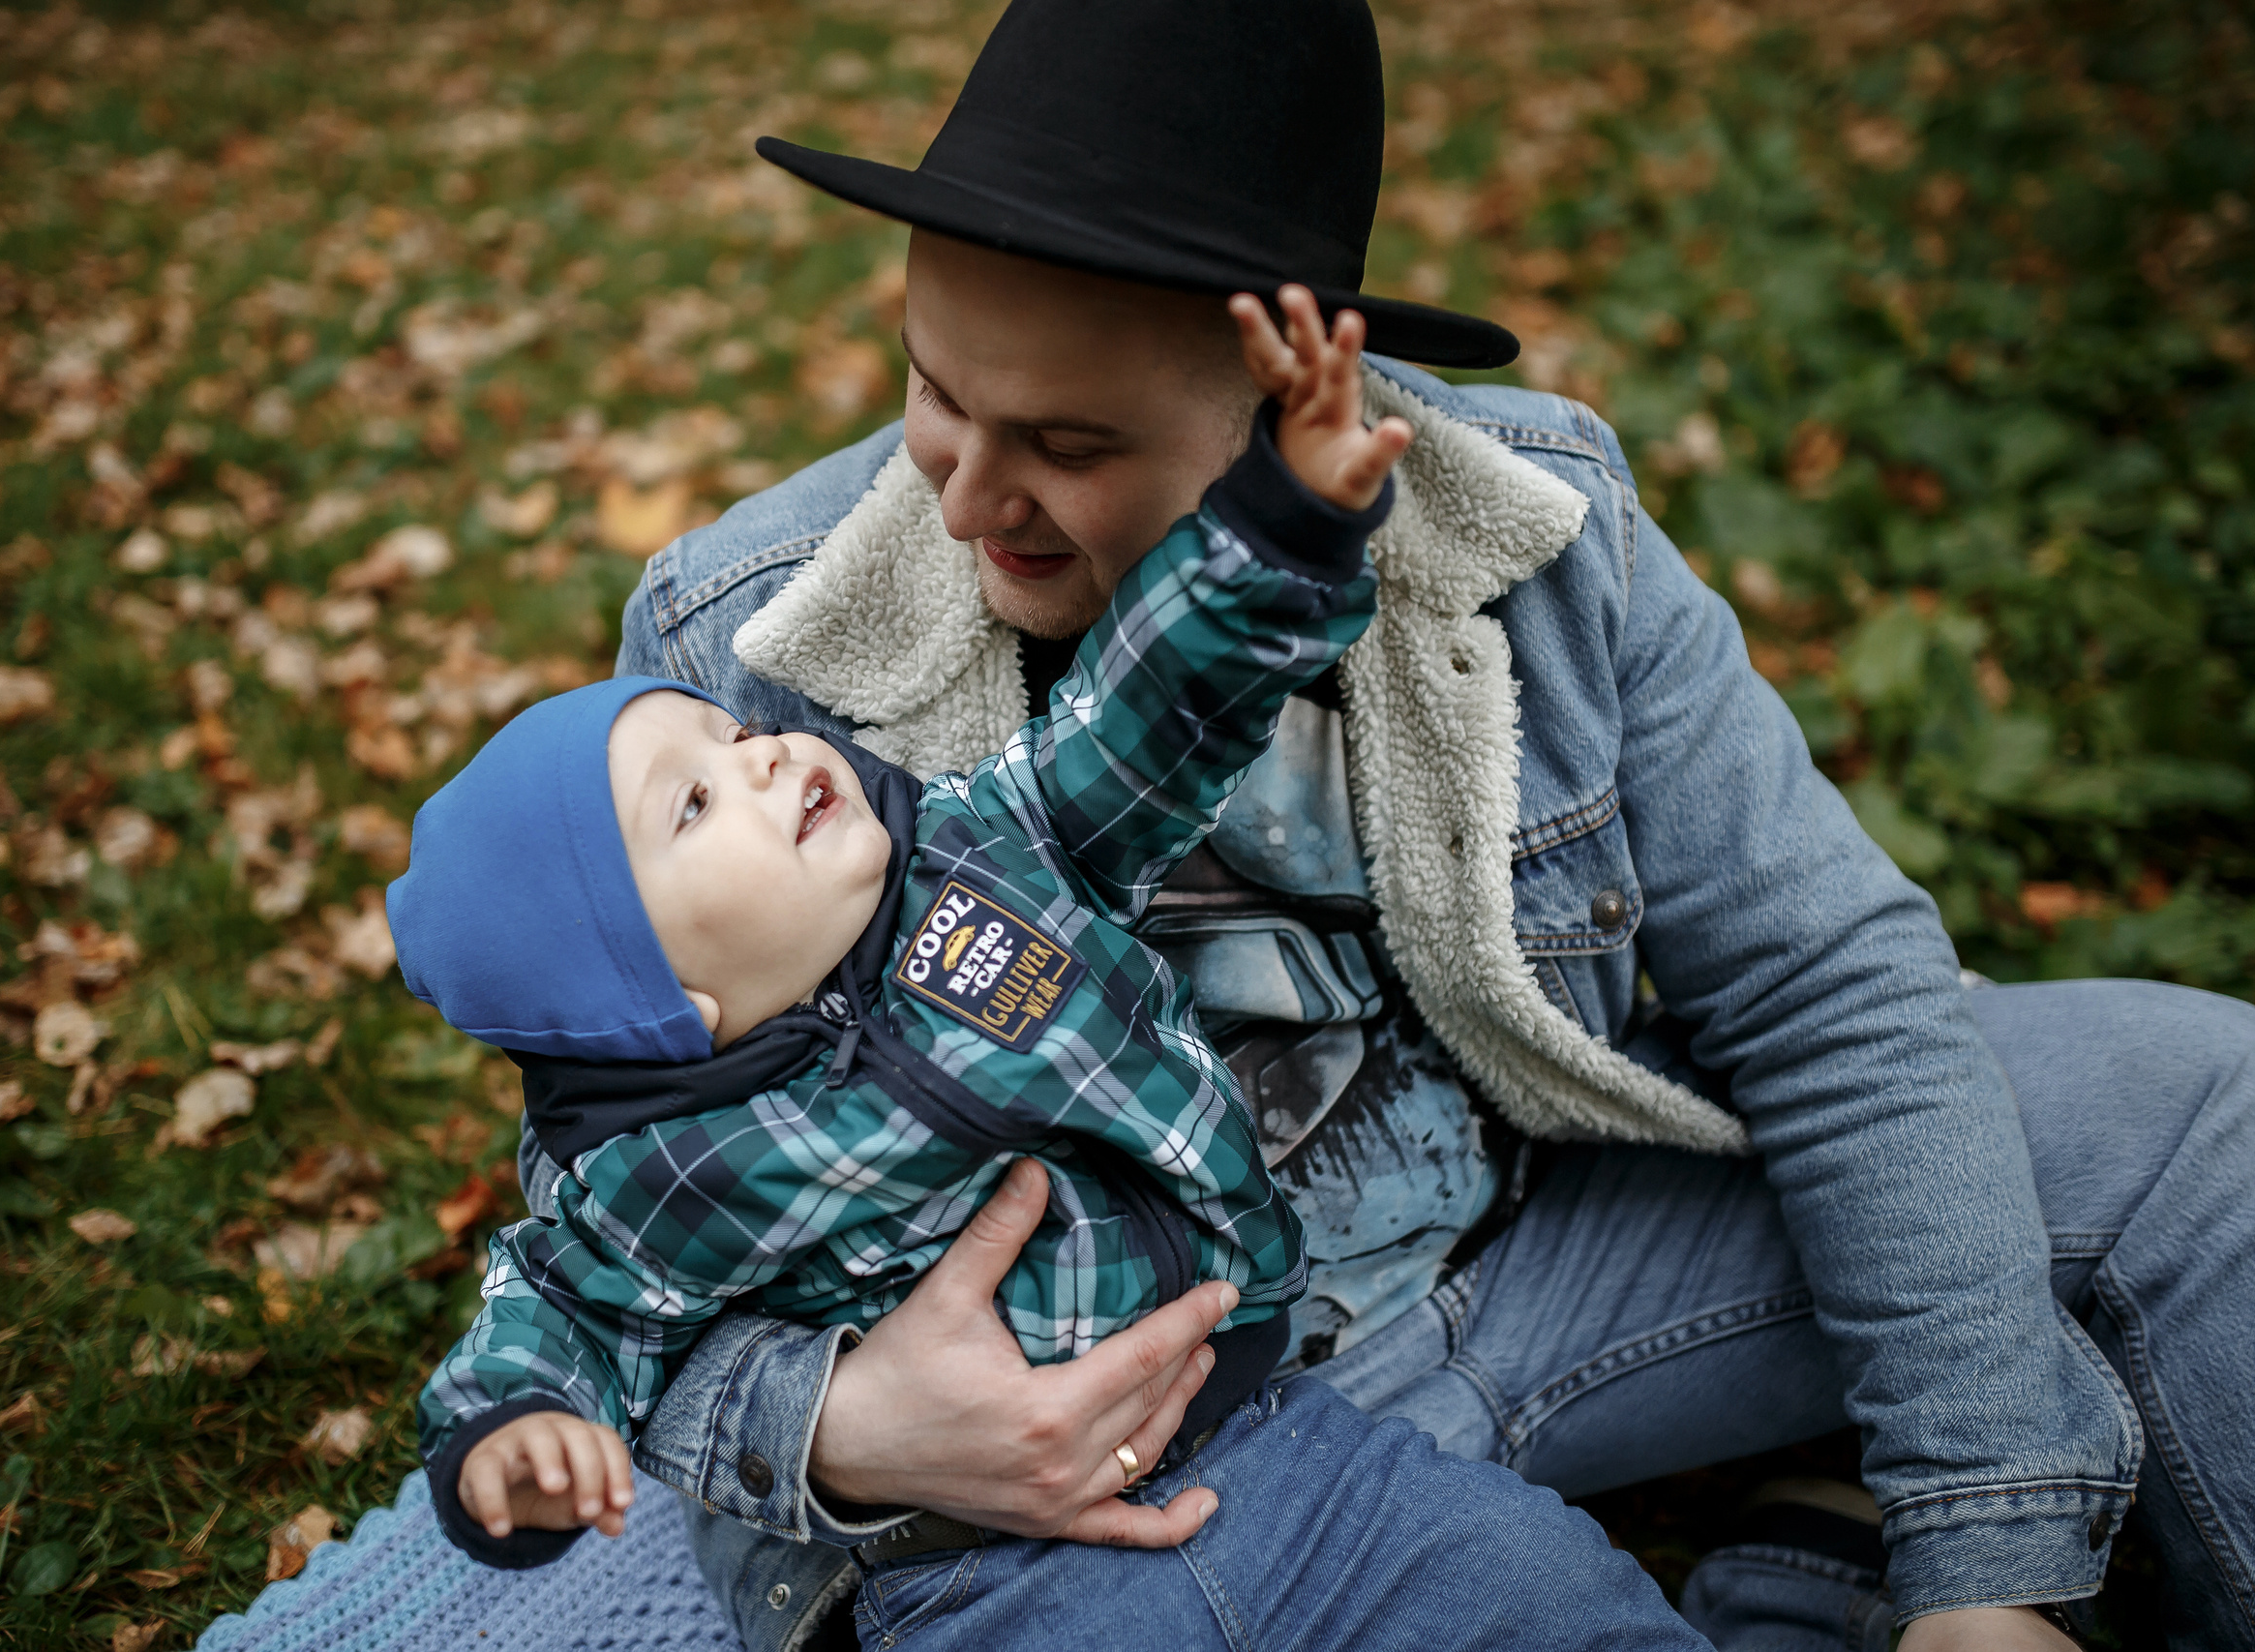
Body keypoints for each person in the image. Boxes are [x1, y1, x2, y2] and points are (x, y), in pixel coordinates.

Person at [582, 2, 2255, 1650]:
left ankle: (1861, 1569)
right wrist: (845, 1431)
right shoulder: (747, 653)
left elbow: (1832, 998)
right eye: (933, 389)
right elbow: (606, 1200)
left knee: (2193, 1102)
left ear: (1294, 385)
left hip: (1546, 1274)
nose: (960, 498)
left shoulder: (1541, 529)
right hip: (1136, 1455)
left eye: (1069, 444)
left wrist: (1987, 1558)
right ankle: (1798, 1578)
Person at [390, 286, 1713, 1652]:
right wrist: (516, 1431)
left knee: (1550, 1594)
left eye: (728, 737)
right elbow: (558, 1309)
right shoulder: (664, 1169)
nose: (764, 753)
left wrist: (1282, 526)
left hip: (1283, 1449)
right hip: (990, 1578)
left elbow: (1148, 707)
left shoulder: (988, 849)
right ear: (669, 1005)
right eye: (693, 804)